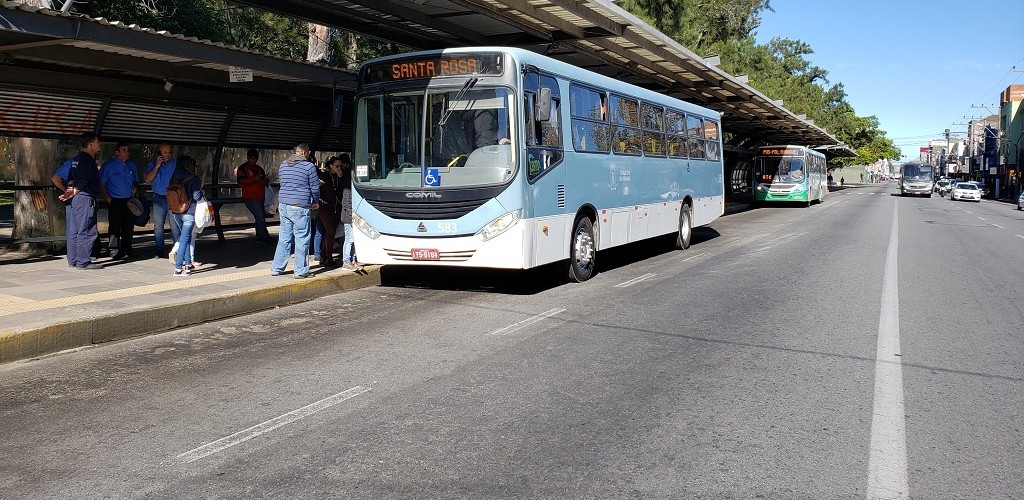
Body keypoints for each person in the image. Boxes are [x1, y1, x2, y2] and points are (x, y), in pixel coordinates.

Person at [270, 143, 320, 279]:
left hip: (284, 205)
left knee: (284, 237)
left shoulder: (283, 165)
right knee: (302, 238)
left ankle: (276, 268)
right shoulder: (309, 167)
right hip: (300, 206)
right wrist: (315, 201)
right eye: (308, 153)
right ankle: (300, 271)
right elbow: (315, 188)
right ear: (304, 153)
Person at [65, 132, 103, 270]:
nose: (99, 144)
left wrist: (71, 190)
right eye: (97, 142)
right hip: (85, 197)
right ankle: (83, 261)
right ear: (91, 144)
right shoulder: (87, 160)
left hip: (76, 199)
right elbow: (83, 179)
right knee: (87, 230)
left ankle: (73, 259)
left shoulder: (76, 159)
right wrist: (77, 189)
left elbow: (70, 177)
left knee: (74, 230)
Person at [99, 143, 138, 259]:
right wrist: (107, 197)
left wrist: (135, 187)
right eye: (124, 150)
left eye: (128, 150)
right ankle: (114, 249)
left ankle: (127, 248)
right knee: (115, 226)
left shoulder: (131, 165)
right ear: (117, 153)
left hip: (129, 200)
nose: (127, 152)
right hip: (115, 200)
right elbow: (101, 183)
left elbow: (135, 180)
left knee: (129, 225)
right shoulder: (109, 165)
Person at [168, 155, 203, 276]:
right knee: (184, 239)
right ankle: (178, 268)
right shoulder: (194, 178)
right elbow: (197, 196)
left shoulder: (174, 175)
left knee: (185, 238)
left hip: (176, 211)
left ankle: (188, 264)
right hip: (189, 212)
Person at [144, 143, 179, 258]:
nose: (168, 154)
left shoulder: (174, 164)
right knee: (158, 225)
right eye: (165, 152)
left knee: (174, 225)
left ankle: (177, 249)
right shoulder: (152, 165)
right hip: (158, 197)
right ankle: (159, 249)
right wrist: (157, 166)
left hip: (171, 197)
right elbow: (147, 180)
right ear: (159, 153)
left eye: (169, 152)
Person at [235, 148, 272, 244]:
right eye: (252, 158)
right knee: (260, 217)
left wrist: (264, 181)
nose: (254, 160)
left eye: (255, 159)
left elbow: (266, 180)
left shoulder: (259, 169)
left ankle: (262, 235)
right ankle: (262, 237)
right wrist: (254, 179)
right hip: (250, 197)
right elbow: (240, 182)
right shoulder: (242, 168)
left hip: (260, 196)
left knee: (260, 217)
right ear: (248, 158)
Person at [336, 153, 362, 271]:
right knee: (350, 239)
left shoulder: (345, 178)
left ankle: (353, 260)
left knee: (354, 239)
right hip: (349, 215)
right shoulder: (348, 184)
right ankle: (346, 261)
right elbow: (347, 200)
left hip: (350, 213)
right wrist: (350, 212)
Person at [317, 156, 343, 268]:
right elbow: (329, 191)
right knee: (330, 231)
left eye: (340, 166)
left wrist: (341, 178)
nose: (339, 168)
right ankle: (328, 256)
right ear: (331, 165)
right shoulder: (325, 176)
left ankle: (324, 255)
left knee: (330, 232)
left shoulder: (340, 176)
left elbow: (342, 191)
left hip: (336, 207)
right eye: (337, 166)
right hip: (326, 207)